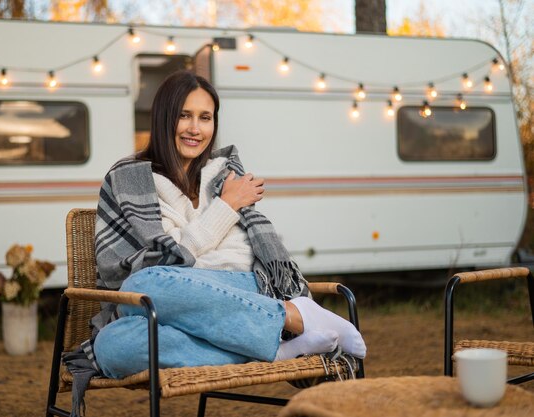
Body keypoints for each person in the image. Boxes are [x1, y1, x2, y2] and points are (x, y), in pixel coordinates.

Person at [66, 71, 366, 414]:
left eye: (205, 118)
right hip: (174, 303)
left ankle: (288, 313)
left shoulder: (225, 174)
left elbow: (220, 257)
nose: (195, 128)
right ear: (164, 118)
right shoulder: (129, 178)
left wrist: (204, 229)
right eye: (184, 115)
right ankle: (281, 337)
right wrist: (224, 208)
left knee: (145, 283)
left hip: (242, 288)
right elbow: (159, 264)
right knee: (112, 346)